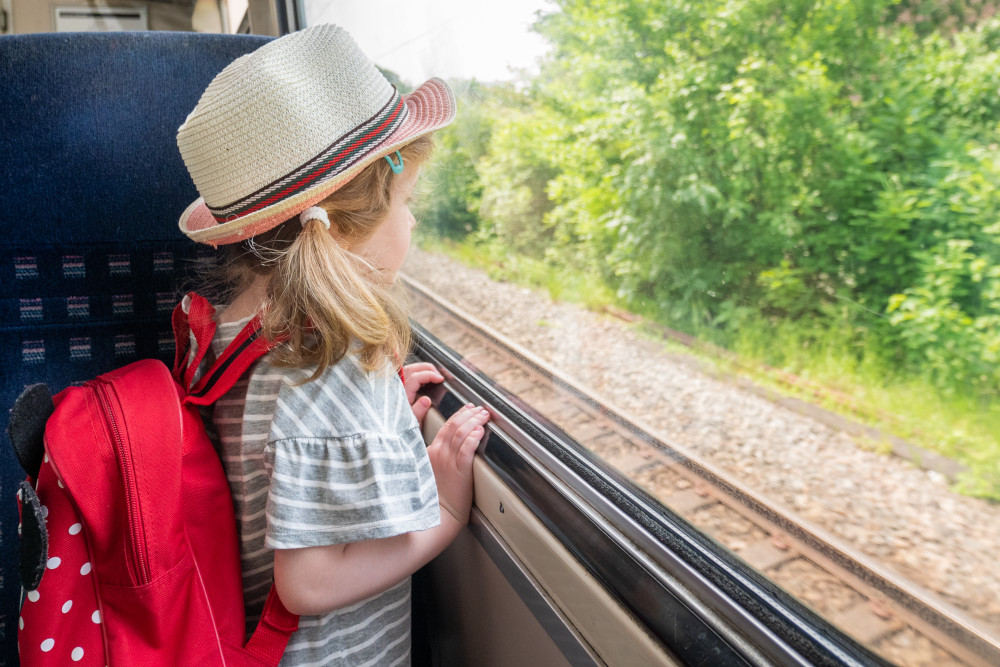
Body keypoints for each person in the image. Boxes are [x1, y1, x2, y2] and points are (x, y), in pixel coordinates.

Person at [174, 24, 489, 665]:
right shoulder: (328, 360)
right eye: (407, 200)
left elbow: (274, 462)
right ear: (348, 227)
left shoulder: (232, 328)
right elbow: (309, 582)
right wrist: (447, 515)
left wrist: (370, 432)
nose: (414, 219)